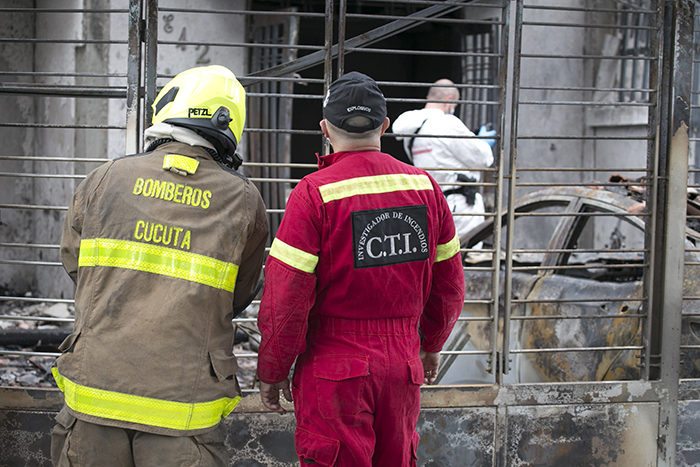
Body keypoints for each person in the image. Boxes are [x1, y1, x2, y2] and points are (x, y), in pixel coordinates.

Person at [51, 65, 269, 467]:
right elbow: (239, 294)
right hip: (183, 410)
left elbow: (76, 265)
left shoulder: (105, 177)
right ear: (229, 123)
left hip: (94, 394)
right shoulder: (243, 200)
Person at [256, 71, 465, 466]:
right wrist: (431, 343)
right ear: (385, 125)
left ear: (324, 129)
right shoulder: (426, 189)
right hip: (403, 365)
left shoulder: (313, 194)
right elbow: (449, 285)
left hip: (335, 366)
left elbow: (286, 296)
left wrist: (273, 367)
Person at [392, 78, 495, 244]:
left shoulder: (412, 131)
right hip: (461, 207)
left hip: (433, 204)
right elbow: (484, 159)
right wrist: (482, 143)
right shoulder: (447, 123)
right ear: (448, 100)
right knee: (467, 255)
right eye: (455, 105)